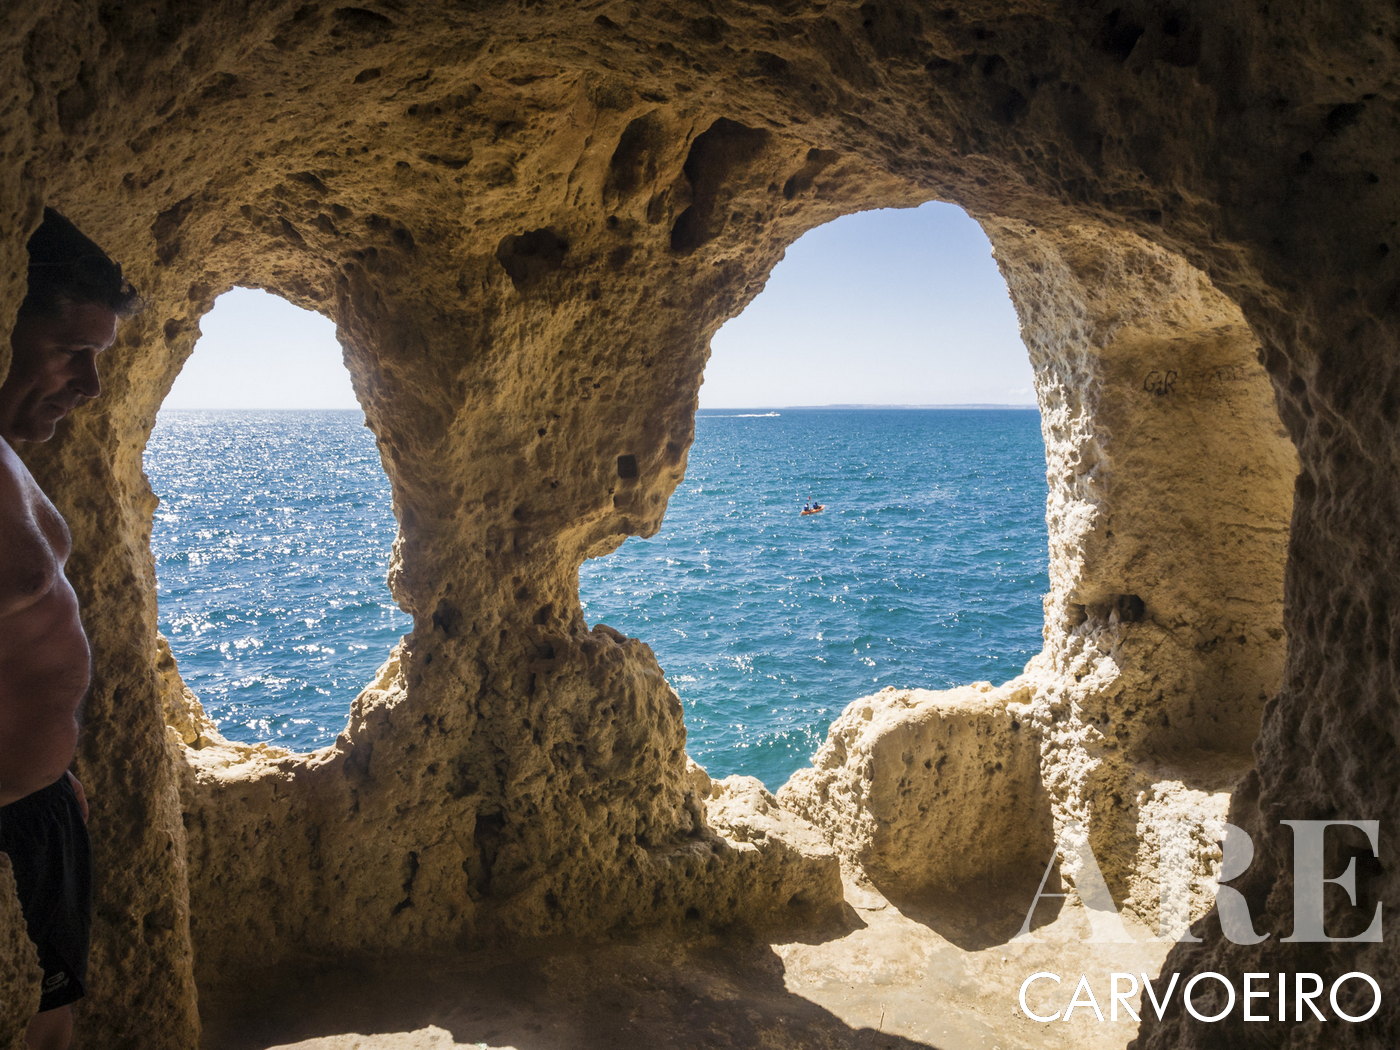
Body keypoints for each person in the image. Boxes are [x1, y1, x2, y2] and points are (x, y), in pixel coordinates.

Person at [0, 208, 138, 1050]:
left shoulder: (9, 457)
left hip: (40, 814)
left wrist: (50, 776)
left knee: (50, 1032)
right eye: (71, 351)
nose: (89, 387)